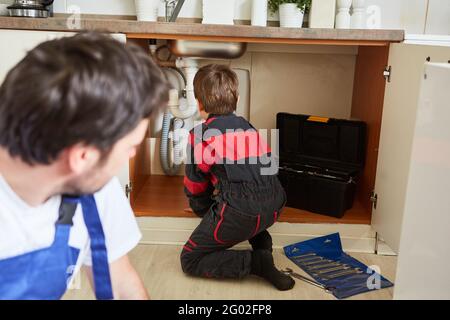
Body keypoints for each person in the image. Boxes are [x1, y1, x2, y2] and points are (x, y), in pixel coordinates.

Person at [0, 32, 168, 300]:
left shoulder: (94, 188)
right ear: (81, 158)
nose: (131, 155)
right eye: (130, 148)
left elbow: (121, 282)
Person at [180, 64, 294, 291]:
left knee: (189, 259)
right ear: (237, 98)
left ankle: (256, 263)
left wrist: (203, 211)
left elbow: (195, 185)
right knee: (249, 198)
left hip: (240, 212)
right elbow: (264, 170)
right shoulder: (248, 128)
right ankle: (262, 246)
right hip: (274, 206)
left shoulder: (200, 135)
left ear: (199, 103)